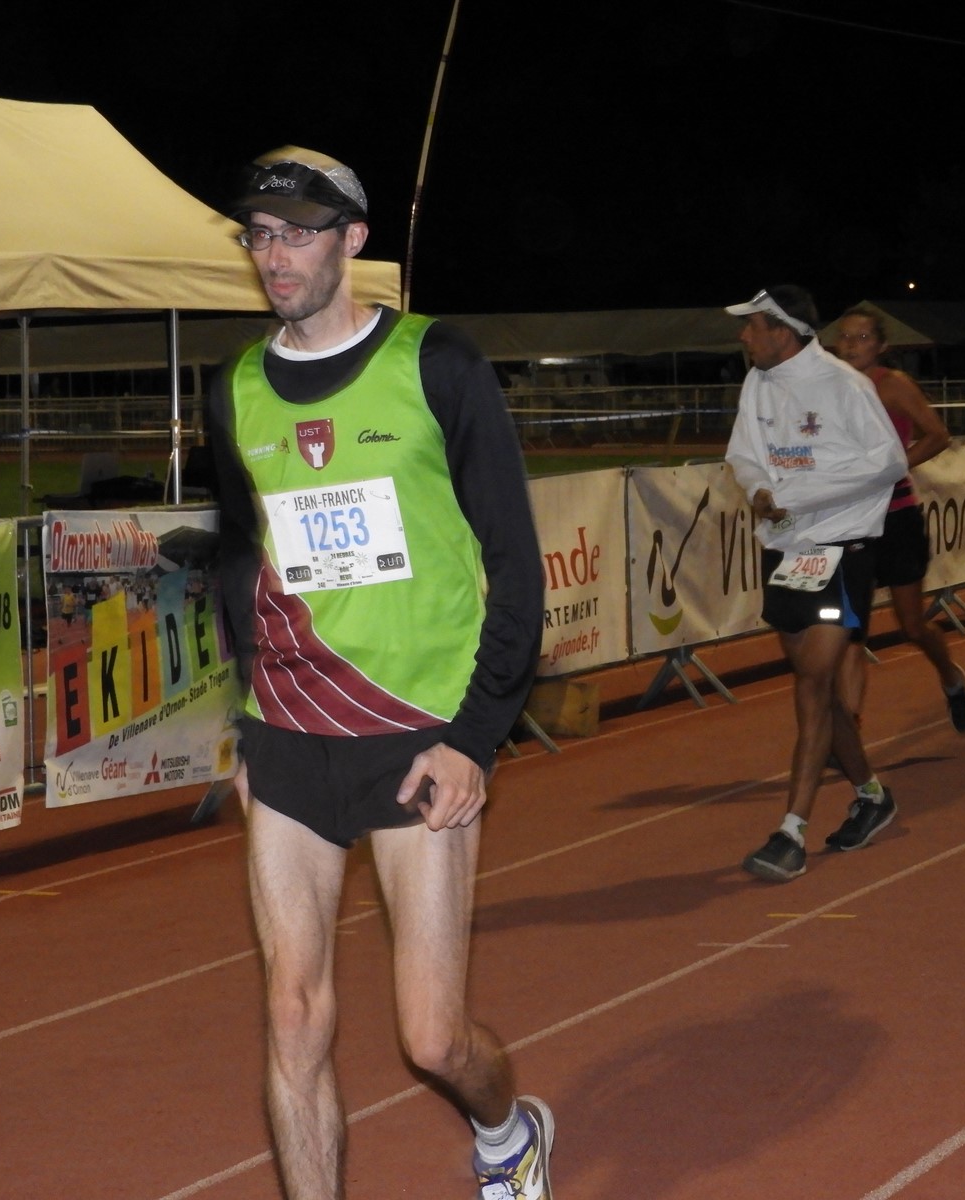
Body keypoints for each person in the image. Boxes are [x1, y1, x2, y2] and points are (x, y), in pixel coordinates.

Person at [206, 147, 554, 1200]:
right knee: (293, 1013)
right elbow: (240, 556)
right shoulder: (233, 386)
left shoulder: (437, 362)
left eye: (300, 232)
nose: (277, 255)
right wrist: (246, 719)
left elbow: (514, 562)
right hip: (289, 729)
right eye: (261, 234)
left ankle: (509, 1132)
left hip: (417, 733)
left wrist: (475, 739)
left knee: (432, 1038)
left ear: (353, 240)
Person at [724, 285, 908, 881]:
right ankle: (872, 795)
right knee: (823, 693)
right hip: (785, 552)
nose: (743, 336)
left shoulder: (844, 385)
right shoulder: (757, 383)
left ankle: (790, 832)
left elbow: (889, 461)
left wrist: (798, 496)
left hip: (841, 550)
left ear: (783, 330)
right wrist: (760, 490)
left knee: (811, 684)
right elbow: (742, 454)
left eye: (752, 326)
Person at [830, 305, 965, 734]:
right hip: (851, 524)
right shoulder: (829, 389)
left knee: (912, 626)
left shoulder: (892, 385)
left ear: (881, 345)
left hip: (896, 519)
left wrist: (892, 468)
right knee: (851, 634)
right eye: (845, 336)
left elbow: (938, 435)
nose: (852, 345)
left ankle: (951, 678)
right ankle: (850, 736)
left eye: (862, 337)